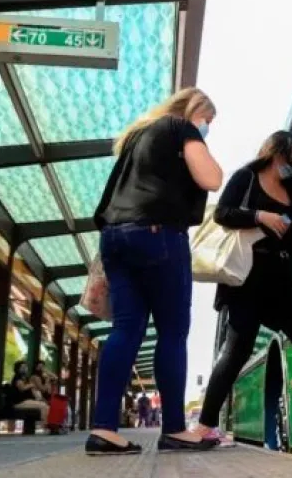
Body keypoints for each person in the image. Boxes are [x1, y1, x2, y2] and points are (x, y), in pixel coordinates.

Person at [86, 87, 223, 456]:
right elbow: (211, 179)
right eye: (208, 121)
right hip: (158, 233)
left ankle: (104, 429)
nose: (207, 128)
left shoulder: (137, 137)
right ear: (196, 112)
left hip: (114, 237)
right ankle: (175, 429)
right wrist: (199, 140)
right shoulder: (181, 128)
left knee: (126, 329)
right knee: (173, 332)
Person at [192, 131, 292, 444]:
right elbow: (222, 213)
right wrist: (260, 216)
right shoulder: (246, 177)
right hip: (247, 279)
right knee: (236, 351)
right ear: (275, 153)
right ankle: (204, 426)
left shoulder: (289, 190)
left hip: (281, 281)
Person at [10, 360, 49, 425]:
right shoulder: (17, 377)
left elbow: (33, 390)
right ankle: (45, 425)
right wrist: (31, 385)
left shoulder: (26, 378)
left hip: (27, 401)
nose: (25, 369)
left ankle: (48, 425)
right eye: (22, 367)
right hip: (19, 402)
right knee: (43, 406)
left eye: (26, 367)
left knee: (45, 405)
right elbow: (22, 388)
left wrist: (38, 397)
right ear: (17, 369)